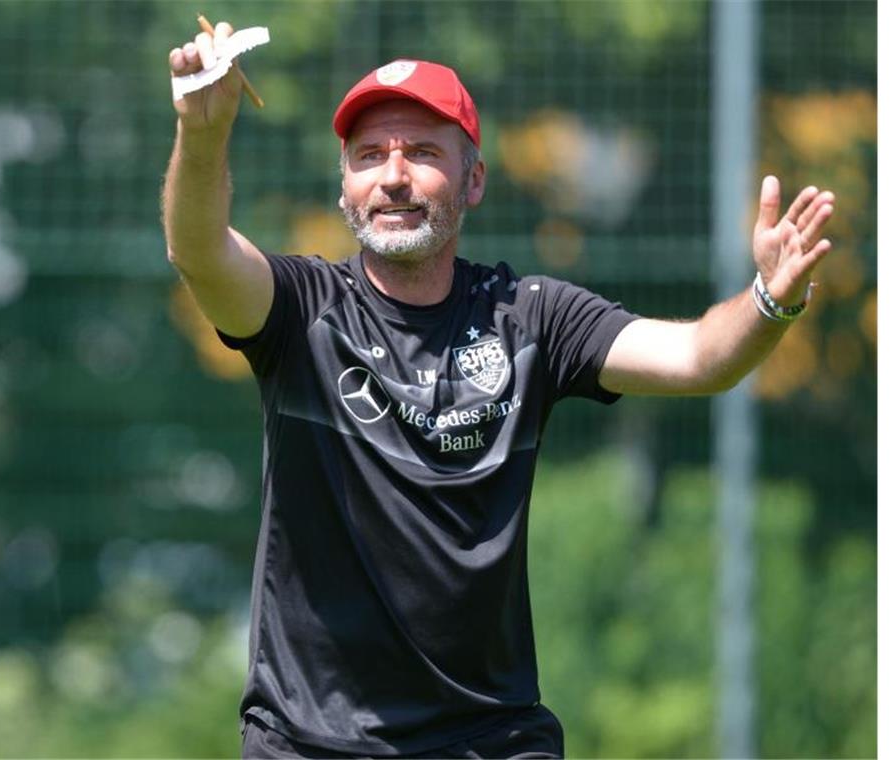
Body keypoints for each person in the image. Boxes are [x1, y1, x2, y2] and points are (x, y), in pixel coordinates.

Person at [162, 21, 834, 760]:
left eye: (422, 153)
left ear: (473, 179)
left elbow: (702, 357)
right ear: (345, 184)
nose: (392, 176)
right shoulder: (302, 310)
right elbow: (198, 250)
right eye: (368, 156)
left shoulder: (531, 316)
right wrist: (203, 133)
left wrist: (770, 299)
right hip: (308, 743)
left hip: (490, 741)